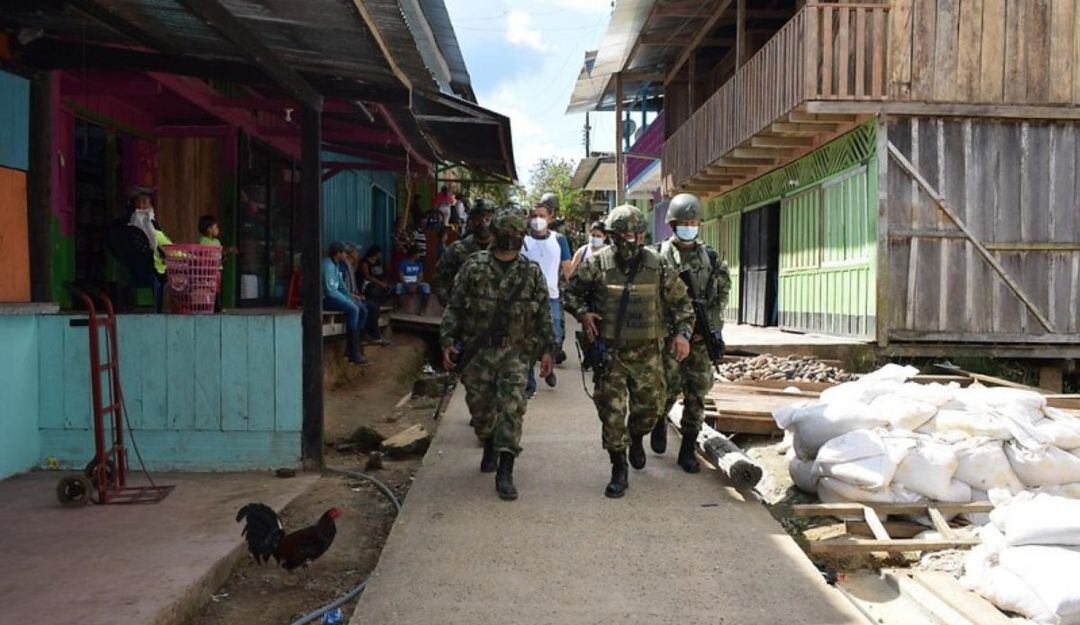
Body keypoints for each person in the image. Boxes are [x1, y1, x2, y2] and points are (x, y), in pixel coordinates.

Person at [562, 204, 694, 498]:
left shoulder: (657, 264)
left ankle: (637, 437)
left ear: (642, 235)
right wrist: (583, 313)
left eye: (633, 234)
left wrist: (683, 334)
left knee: (649, 410)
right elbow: (570, 292)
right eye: (620, 235)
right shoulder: (597, 264)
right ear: (611, 236)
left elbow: (682, 304)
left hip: (648, 353)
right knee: (611, 412)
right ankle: (618, 467)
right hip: (611, 354)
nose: (627, 240)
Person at [440, 208, 556, 501]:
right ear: (497, 234)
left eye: (517, 234)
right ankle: (489, 439)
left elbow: (543, 313)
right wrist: (447, 341)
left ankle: (506, 469)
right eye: (507, 233)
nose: (511, 238)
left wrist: (547, 351)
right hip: (478, 353)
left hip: (515, 352)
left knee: (512, 409)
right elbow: (454, 305)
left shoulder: (530, 272)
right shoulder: (474, 266)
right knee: (480, 410)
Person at [651, 193, 731, 474]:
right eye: (683, 222)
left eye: (693, 221)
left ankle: (687, 449)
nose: (689, 226)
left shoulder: (710, 256)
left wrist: (708, 325)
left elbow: (722, 292)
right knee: (666, 390)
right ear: (672, 224)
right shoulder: (658, 255)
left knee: (697, 395)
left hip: (699, 339)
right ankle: (659, 421)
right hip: (668, 338)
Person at [521, 192, 572, 395]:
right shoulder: (522, 241)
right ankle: (529, 383)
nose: (537, 220)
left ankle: (548, 363)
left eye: (541, 216)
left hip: (551, 298)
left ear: (550, 217)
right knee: (527, 339)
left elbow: (568, 269)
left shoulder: (560, 240)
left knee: (554, 338)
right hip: (527, 299)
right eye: (534, 216)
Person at [433, 198, 495, 306]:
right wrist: (450, 304)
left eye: (487, 219)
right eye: (477, 219)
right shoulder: (458, 249)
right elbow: (440, 278)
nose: (482, 223)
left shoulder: (503, 250)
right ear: (471, 221)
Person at [323, 241, 369, 365]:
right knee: (353, 309)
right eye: (344, 252)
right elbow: (330, 291)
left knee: (362, 309)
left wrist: (351, 296)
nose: (346, 255)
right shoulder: (327, 265)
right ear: (337, 253)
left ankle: (353, 348)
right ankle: (353, 353)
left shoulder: (336, 264)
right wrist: (348, 300)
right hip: (325, 299)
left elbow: (342, 287)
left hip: (336, 296)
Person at [129, 189, 172, 313]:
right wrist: (161, 250)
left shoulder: (137, 220)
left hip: (156, 256)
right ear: (141, 204)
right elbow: (153, 238)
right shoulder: (144, 219)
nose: (150, 206)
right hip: (157, 258)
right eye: (147, 202)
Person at [395, 245, 431, 315]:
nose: (419, 255)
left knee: (426, 287)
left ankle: (422, 309)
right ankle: (400, 307)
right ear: (414, 254)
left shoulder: (419, 264)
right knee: (398, 287)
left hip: (416, 284)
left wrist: (416, 285)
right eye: (418, 253)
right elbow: (401, 276)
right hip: (406, 284)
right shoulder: (403, 263)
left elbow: (420, 276)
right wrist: (407, 286)